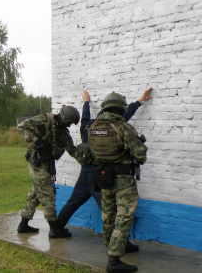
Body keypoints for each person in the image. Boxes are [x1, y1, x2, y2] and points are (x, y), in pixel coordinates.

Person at [58, 88, 152, 253]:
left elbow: (85, 117)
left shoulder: (90, 127)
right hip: (103, 174)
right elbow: (125, 115)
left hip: (87, 173)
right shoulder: (115, 126)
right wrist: (139, 101)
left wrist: (86, 102)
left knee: (73, 203)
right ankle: (120, 243)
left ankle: (56, 228)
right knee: (112, 213)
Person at [88, 92, 148, 273]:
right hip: (123, 181)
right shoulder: (124, 127)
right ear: (121, 108)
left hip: (104, 178)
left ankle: (114, 247)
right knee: (124, 217)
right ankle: (114, 260)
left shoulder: (93, 127)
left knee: (108, 216)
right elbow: (140, 156)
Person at [16, 105, 80, 238]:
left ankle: (23, 225)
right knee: (47, 193)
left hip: (46, 163)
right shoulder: (43, 120)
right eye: (68, 122)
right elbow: (20, 127)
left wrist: (89, 159)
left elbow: (73, 150)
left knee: (35, 193)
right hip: (36, 161)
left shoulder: (63, 132)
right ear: (64, 117)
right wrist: (36, 140)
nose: (69, 125)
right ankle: (54, 228)